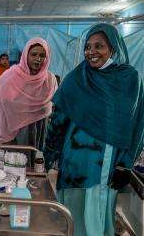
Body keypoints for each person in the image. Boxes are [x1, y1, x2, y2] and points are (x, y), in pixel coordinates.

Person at [43, 23, 144, 235]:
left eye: (99, 46)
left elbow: (137, 125)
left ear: (113, 48)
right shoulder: (77, 78)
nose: (91, 52)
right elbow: (57, 121)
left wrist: (125, 165)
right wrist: (50, 154)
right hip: (75, 163)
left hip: (106, 165)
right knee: (74, 215)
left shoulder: (129, 80)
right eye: (88, 47)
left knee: (98, 214)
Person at [0, 37, 57, 154]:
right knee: (17, 164)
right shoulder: (10, 77)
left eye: (42, 55)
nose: (38, 59)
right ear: (25, 55)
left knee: (37, 163)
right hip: (16, 131)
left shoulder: (50, 79)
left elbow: (54, 105)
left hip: (41, 129)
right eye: (34, 54)